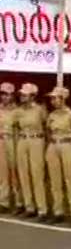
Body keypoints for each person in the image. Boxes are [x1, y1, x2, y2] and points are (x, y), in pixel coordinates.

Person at [44, 86, 71, 227]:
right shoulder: (52, 115)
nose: (53, 101)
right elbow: (48, 130)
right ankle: (58, 211)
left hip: (67, 145)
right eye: (52, 98)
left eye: (55, 98)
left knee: (70, 180)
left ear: (63, 99)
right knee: (55, 181)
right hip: (54, 145)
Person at [15, 83, 46, 221]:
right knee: (23, 174)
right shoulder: (18, 111)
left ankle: (42, 209)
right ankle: (29, 207)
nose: (22, 96)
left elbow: (47, 126)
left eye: (25, 94)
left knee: (37, 175)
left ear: (33, 96)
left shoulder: (40, 110)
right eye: (21, 94)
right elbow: (15, 126)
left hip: (36, 141)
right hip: (23, 140)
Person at [0, 82, 18, 214]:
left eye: (9, 95)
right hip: (1, 141)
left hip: (14, 141)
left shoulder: (17, 111)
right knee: (2, 173)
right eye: (4, 94)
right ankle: (3, 201)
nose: (7, 97)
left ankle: (19, 201)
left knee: (15, 172)